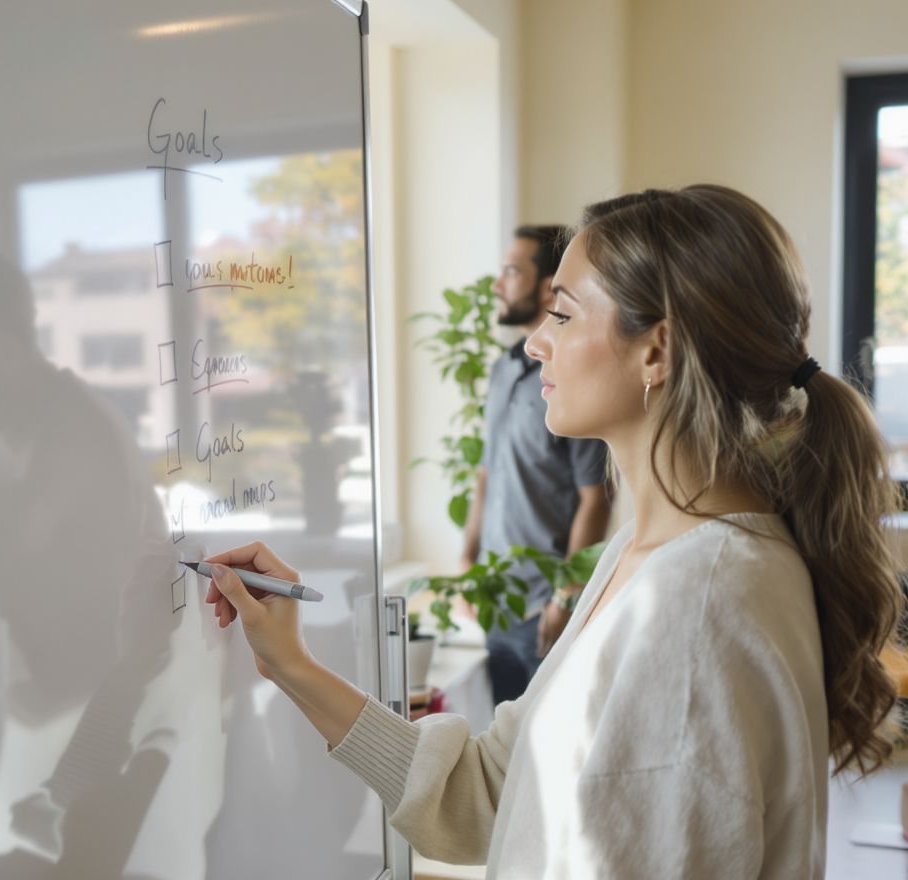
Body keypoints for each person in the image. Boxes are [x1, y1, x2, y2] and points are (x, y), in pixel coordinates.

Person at [203, 185, 905, 877]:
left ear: (657, 350)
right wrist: (289, 665)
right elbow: (487, 792)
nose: (537, 343)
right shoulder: (645, 560)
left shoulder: (696, 608)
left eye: (563, 316)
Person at [461, 224, 612, 703]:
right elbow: (486, 473)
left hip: (543, 608)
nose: (497, 284)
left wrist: (565, 596)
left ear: (548, 286)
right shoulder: (503, 369)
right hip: (495, 602)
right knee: (503, 758)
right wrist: (468, 558)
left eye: (510, 271)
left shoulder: (574, 379)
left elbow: (596, 496)